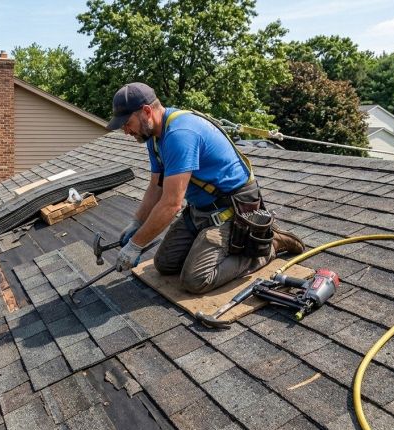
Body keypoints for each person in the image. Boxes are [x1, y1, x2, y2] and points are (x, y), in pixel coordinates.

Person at [106, 82, 304, 294]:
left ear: (146, 112)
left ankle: (267, 245)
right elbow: (156, 186)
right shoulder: (153, 137)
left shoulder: (179, 134)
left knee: (196, 279)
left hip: (234, 209)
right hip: (202, 210)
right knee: (164, 264)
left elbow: (171, 204)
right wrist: (137, 222)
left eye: (127, 123)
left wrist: (135, 245)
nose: (125, 131)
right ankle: (212, 243)